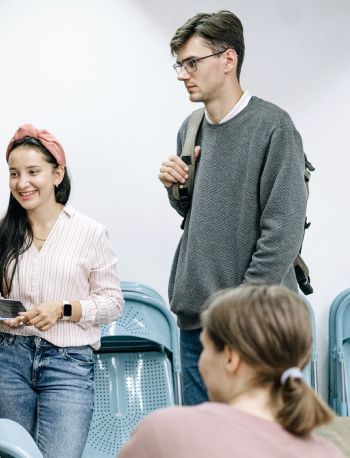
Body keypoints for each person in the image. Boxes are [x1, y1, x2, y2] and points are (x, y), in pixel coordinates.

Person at [157, 10, 309, 405]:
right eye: (179, 64)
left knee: (258, 435)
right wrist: (176, 190)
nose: (182, 74)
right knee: (201, 436)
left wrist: (238, 312)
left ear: (228, 59)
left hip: (254, 326)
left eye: (192, 62)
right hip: (196, 323)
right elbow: (201, 216)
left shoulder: (273, 127)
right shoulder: (190, 128)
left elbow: (283, 233)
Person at [0, 124, 124, 458]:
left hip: (68, 363)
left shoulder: (90, 232)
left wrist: (63, 309)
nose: (22, 183)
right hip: (6, 358)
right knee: (13, 455)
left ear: (57, 174)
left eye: (33, 172)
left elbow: (113, 303)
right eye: (14, 173)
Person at [118, 285, 342, 458]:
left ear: (231, 358)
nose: (200, 362)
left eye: (204, 348)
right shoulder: (328, 452)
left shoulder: (165, 431)